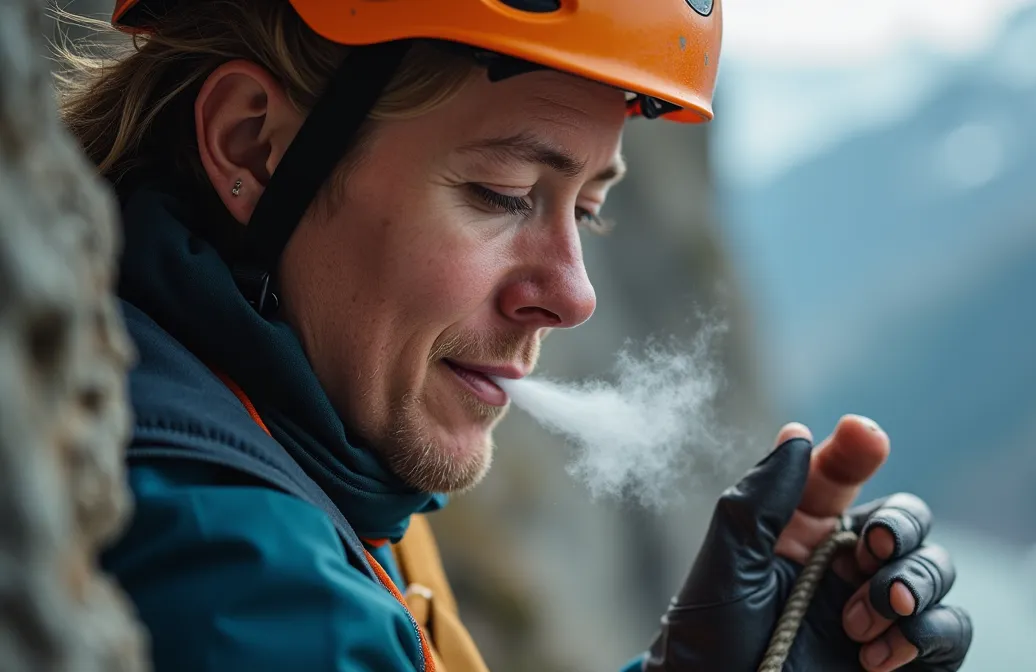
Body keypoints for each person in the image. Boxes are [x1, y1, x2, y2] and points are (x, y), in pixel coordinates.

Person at [57, 1, 973, 670]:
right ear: (253, 143)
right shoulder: (247, 578)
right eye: (501, 193)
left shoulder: (304, 446)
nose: (573, 295)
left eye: (593, 209)